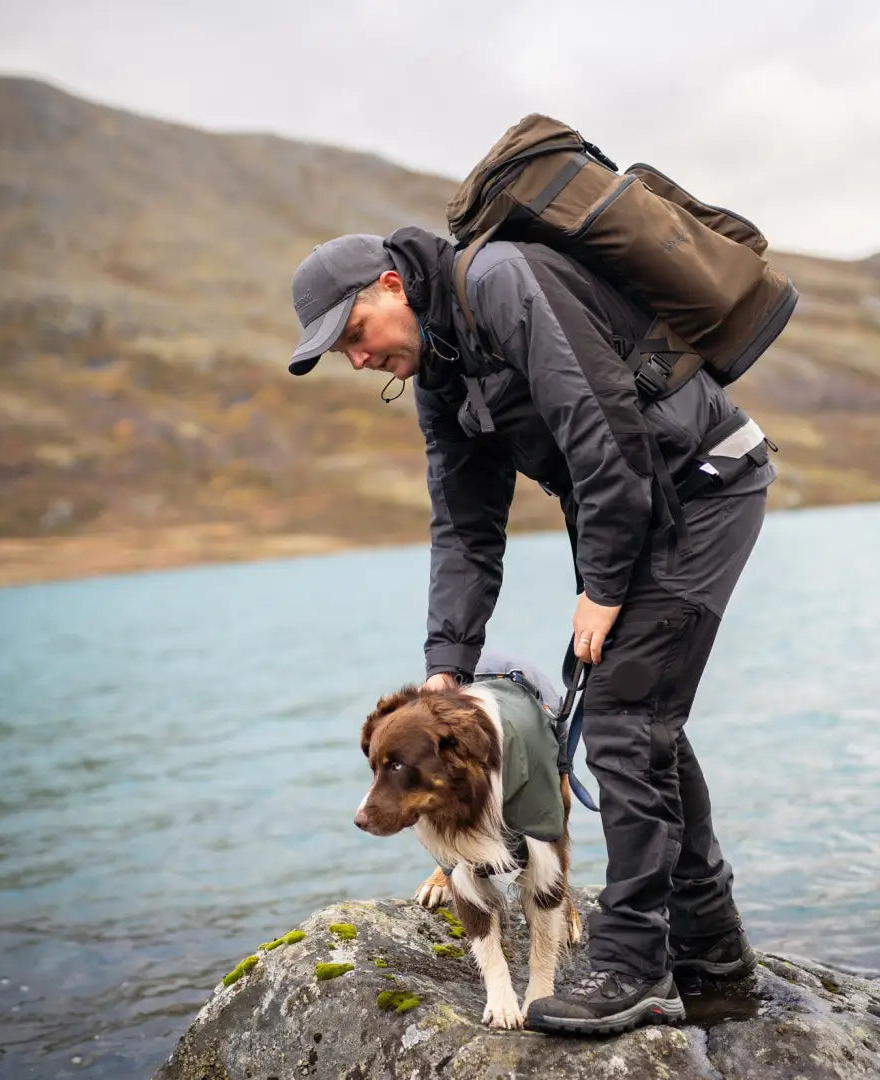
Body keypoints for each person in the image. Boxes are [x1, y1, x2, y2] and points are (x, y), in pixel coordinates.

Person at [287, 226, 770, 1035]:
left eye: (354, 333)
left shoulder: (505, 284)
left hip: (704, 487)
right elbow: (465, 529)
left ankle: (634, 962)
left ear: (391, 287)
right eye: (341, 352)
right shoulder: (441, 373)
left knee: (623, 720)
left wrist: (605, 585)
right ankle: (716, 964)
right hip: (634, 507)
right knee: (646, 725)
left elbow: (603, 427)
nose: (357, 359)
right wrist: (446, 665)